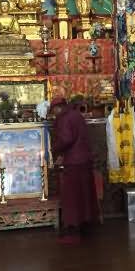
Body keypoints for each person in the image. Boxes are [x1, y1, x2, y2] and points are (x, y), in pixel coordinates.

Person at [51, 96, 98, 244]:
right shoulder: (76, 114)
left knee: (72, 197)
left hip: (73, 162)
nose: (54, 114)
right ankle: (86, 227)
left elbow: (66, 139)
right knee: (84, 194)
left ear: (58, 108)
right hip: (84, 160)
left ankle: (73, 231)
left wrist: (54, 148)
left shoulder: (64, 118)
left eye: (54, 111)